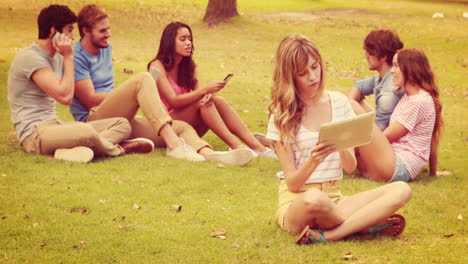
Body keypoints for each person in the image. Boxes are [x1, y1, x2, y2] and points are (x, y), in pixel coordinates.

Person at [265, 34, 412, 244]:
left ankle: (331, 235)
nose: (312, 77)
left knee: (401, 189)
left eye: (315, 67)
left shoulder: (339, 102)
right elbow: (293, 184)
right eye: (302, 73)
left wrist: (340, 146)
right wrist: (313, 161)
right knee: (314, 198)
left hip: (334, 200)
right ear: (290, 76)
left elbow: (351, 167)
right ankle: (364, 225)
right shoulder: (282, 114)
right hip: (298, 203)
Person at [70, 5, 253, 165]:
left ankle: (210, 154)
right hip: (93, 121)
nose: (108, 34)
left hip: (121, 120)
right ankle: (174, 146)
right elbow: (89, 99)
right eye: (103, 31)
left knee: (181, 127)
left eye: (108, 29)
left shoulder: (105, 48)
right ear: (86, 31)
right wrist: (129, 95)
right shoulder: (76, 56)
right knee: (143, 79)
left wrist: (128, 98)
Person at [7, 4, 153, 163]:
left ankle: (75, 151)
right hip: (34, 133)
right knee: (85, 132)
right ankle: (118, 149)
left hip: (55, 125)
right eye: (69, 30)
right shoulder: (30, 58)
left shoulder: (57, 56)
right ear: (53, 31)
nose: (72, 36)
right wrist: (69, 57)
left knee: (122, 124)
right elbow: (65, 97)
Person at [147, 21, 276, 159]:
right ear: (169, 42)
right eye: (182, 39)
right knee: (203, 101)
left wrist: (208, 93)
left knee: (216, 100)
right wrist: (205, 90)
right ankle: (237, 146)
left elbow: (200, 95)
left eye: (190, 39)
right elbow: (174, 101)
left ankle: (257, 147)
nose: (188, 43)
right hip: (168, 126)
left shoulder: (189, 66)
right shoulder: (157, 66)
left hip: (190, 127)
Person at [353, 48, 443, 182]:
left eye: (396, 66)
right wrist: (433, 173)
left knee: (353, 108)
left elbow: (385, 138)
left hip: (399, 167)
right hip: (391, 161)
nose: (392, 71)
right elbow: (431, 139)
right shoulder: (410, 97)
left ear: (410, 69)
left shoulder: (418, 101)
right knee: (355, 125)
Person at [348, 29, 404, 130]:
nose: (366, 56)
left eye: (370, 52)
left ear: (383, 57)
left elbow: (379, 130)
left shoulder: (389, 92)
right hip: (381, 130)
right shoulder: (384, 76)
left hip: (389, 141)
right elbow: (359, 86)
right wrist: (350, 103)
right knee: (354, 103)